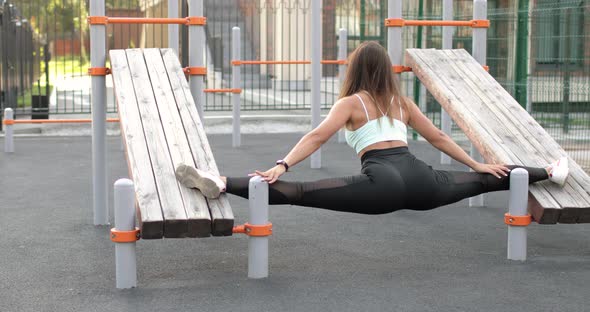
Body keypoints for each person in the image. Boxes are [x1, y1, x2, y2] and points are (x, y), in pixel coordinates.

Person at [175, 41, 569, 214]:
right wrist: (478, 164)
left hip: (381, 184)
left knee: (297, 192)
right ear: (385, 70)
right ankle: (549, 171)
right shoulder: (403, 102)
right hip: (424, 184)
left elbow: (317, 136)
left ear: (356, 70)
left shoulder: (351, 103)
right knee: (487, 180)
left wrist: (283, 163)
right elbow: (440, 137)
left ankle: (223, 182)